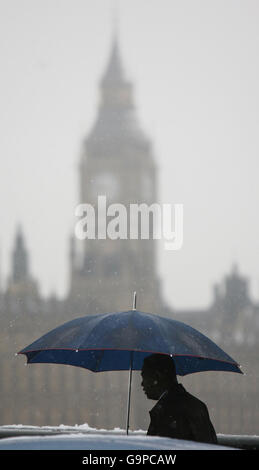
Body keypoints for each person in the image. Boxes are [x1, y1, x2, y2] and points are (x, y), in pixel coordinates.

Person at [141, 353, 217, 444]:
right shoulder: (196, 405)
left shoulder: (169, 411)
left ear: (157, 376)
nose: (142, 384)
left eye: (144, 377)